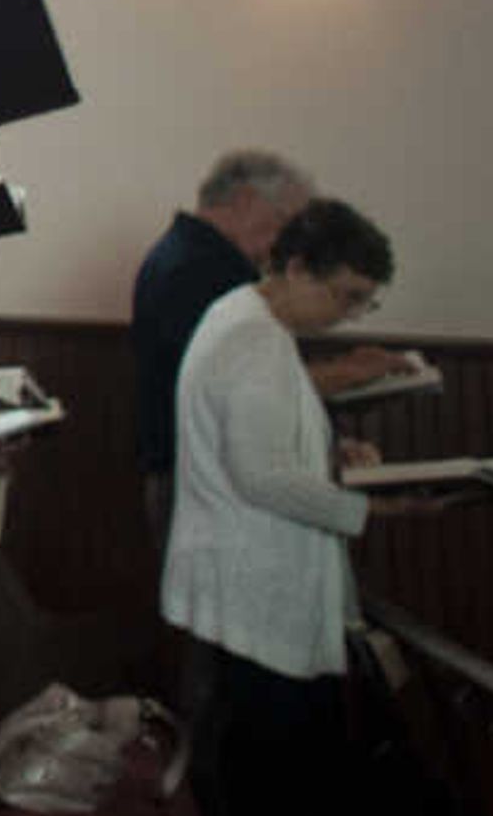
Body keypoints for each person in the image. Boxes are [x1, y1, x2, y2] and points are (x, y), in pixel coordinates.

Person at [161, 196, 435, 816]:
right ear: (294, 268)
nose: (348, 316)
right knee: (264, 805)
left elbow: (268, 451)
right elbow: (262, 479)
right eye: (344, 296)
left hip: (258, 586)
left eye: (364, 303)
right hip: (256, 591)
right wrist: (381, 508)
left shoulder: (254, 325)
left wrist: (332, 459)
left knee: (271, 795)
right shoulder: (249, 339)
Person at [130, 150, 402, 539]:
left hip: (198, 481)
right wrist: (349, 373)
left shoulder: (201, 260)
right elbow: (246, 431)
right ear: (243, 201)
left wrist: (320, 453)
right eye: (285, 222)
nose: (287, 242)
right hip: (201, 490)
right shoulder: (199, 270)